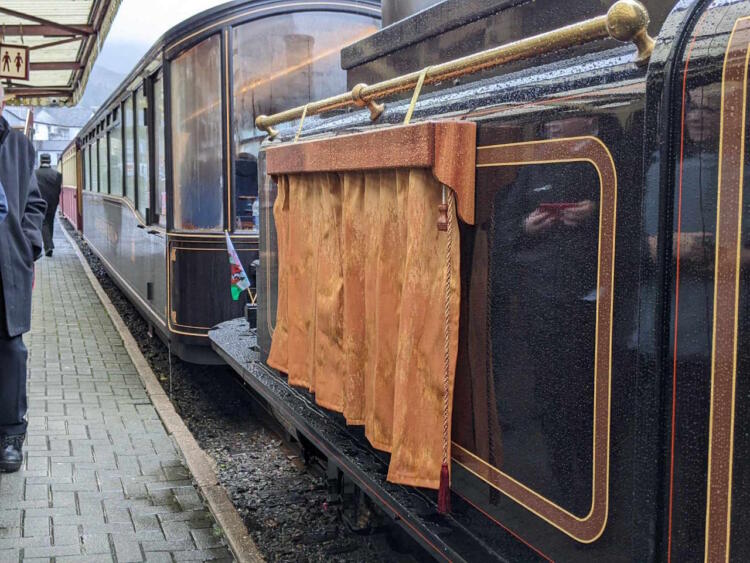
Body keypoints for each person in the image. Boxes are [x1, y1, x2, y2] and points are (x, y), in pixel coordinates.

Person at [0, 86, 47, 473]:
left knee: (12, 351)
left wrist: (29, 246)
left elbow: (34, 204)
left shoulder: (18, 147)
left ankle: (12, 436)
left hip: (7, 266)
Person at [36, 153, 62, 257]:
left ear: (41, 161)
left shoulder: (34, 173)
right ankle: (48, 245)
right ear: (50, 161)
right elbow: (58, 190)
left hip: (39, 202)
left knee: (43, 223)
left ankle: (48, 246)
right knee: (50, 222)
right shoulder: (58, 175)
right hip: (53, 203)